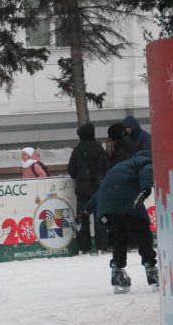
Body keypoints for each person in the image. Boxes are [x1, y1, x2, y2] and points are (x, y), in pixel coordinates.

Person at [84, 148, 158, 294]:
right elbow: (146, 172)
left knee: (119, 236)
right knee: (142, 231)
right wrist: (145, 190)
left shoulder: (122, 166)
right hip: (127, 201)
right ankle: (151, 269)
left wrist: (86, 210)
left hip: (106, 207)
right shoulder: (147, 161)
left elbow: (102, 191)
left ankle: (117, 271)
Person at [67, 122, 110, 255]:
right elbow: (107, 168)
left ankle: (84, 247)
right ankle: (102, 245)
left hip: (83, 190)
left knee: (82, 218)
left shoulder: (77, 150)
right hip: (99, 189)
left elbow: (72, 170)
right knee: (100, 218)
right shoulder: (100, 150)